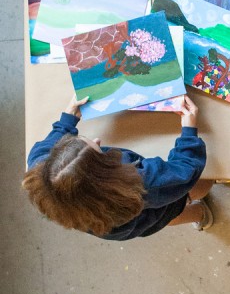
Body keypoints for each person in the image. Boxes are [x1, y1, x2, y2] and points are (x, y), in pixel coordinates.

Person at [23, 95, 213, 240]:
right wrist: (189, 131)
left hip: (110, 224)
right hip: (152, 214)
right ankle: (198, 211)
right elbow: (186, 170)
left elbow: (47, 147)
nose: (97, 140)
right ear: (104, 173)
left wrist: (67, 120)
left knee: (171, 209)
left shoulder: (41, 169)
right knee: (183, 200)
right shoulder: (139, 185)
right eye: (98, 149)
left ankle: (196, 211)